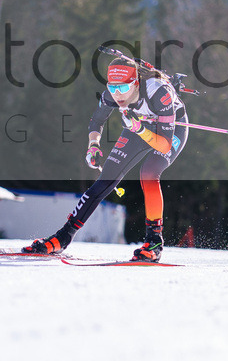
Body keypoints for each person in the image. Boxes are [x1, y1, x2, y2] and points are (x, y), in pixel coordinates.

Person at [23, 56, 188, 262]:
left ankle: (154, 242)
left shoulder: (158, 92)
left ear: (135, 83)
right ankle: (63, 237)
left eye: (123, 89)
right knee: (106, 179)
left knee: (149, 173)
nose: (117, 94)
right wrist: (93, 145)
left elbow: (163, 144)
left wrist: (139, 128)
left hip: (170, 130)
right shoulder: (113, 93)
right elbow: (97, 120)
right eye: (113, 88)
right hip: (137, 126)